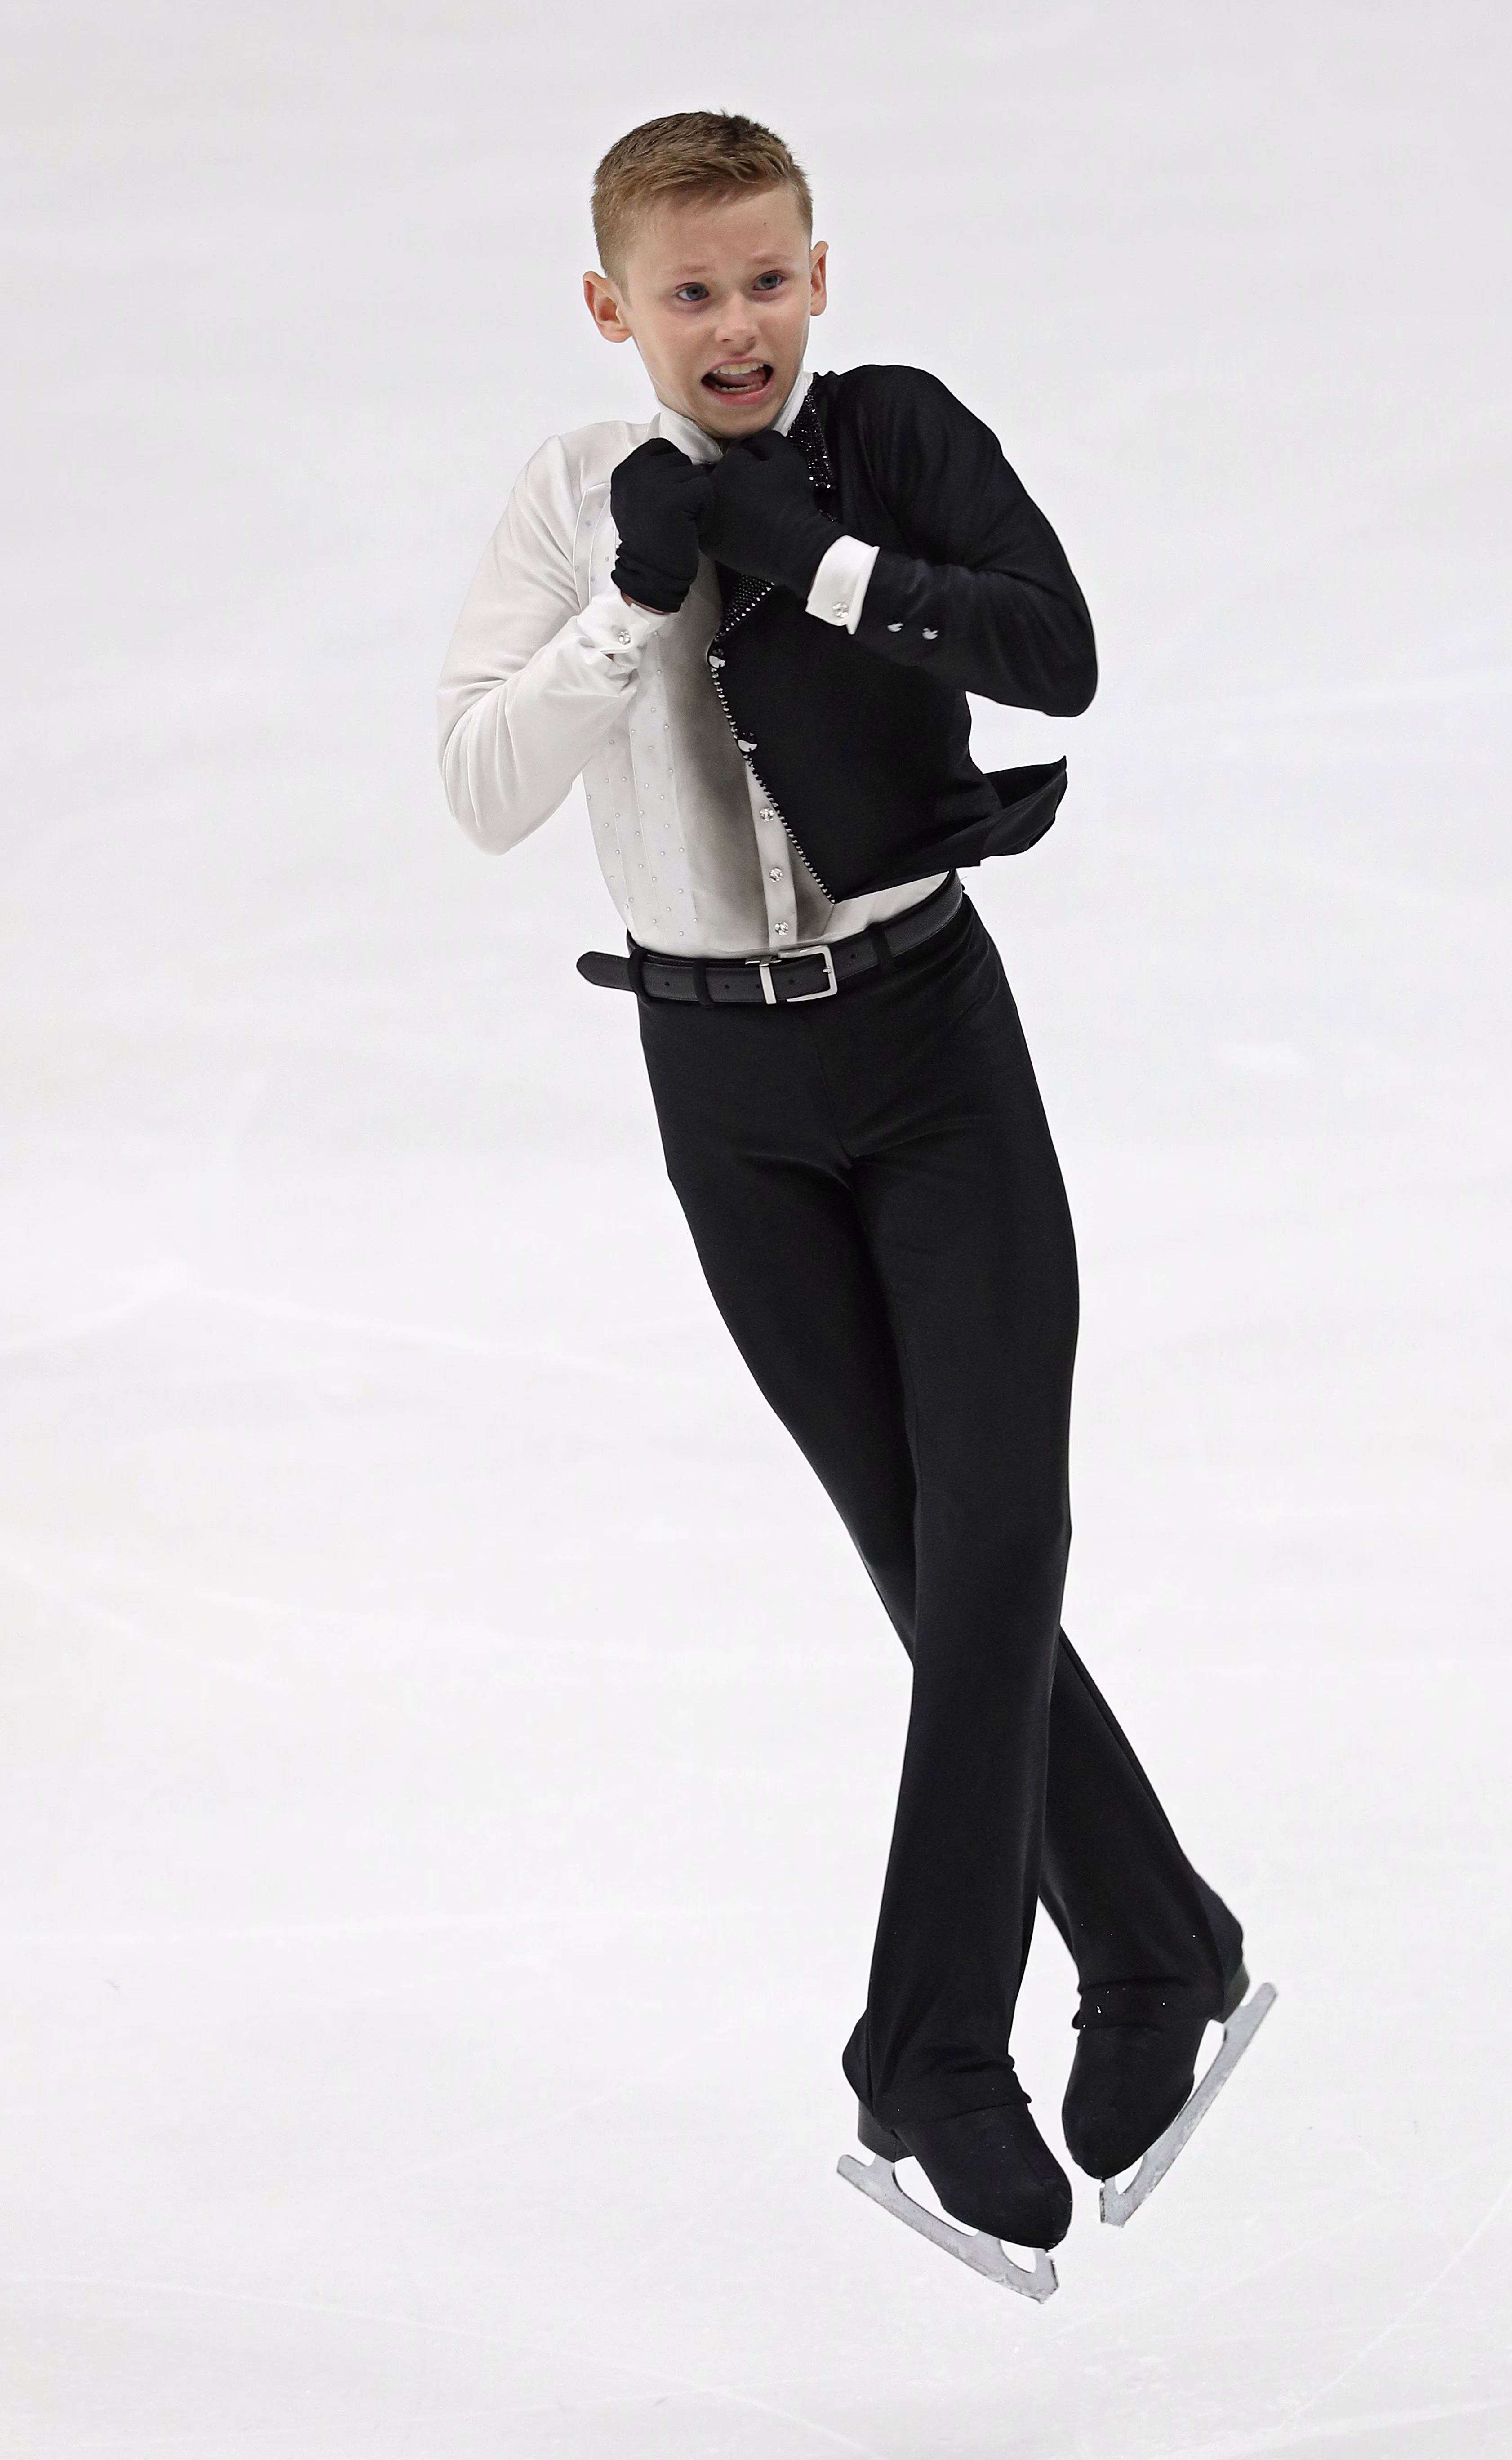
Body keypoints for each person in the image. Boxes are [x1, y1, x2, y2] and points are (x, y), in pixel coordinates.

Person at [437, 110, 1250, 2268]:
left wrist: (819, 563)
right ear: (613, 307)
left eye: (769, 280)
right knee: (921, 1554)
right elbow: (481, 790)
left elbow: (1051, 652)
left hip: (929, 1043)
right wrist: (636, 600)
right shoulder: (565, 499)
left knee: (1002, 1533)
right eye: (691, 292)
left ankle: (930, 2047)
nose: (739, 327)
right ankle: (1156, 1940)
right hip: (721, 1083)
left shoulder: (892, 441)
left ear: (820, 276)